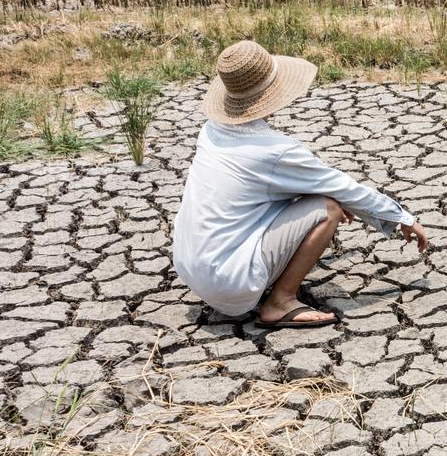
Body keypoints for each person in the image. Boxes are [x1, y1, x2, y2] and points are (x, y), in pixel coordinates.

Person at [172, 40, 428, 329]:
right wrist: (402, 218)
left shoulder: (211, 130)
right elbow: (343, 188)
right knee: (329, 208)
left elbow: (258, 188)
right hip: (229, 281)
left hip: (191, 267)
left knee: (320, 197)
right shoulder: (274, 151)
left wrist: (312, 192)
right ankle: (280, 302)